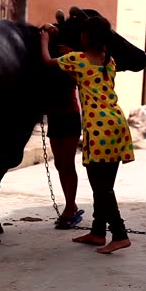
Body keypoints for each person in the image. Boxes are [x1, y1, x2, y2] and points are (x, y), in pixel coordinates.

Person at [40, 16, 134, 254]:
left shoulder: (77, 59)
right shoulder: (109, 62)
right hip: (117, 125)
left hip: (98, 128)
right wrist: (72, 60)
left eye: (83, 33)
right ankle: (97, 232)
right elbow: (86, 79)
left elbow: (48, 62)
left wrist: (44, 40)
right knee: (105, 184)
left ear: (87, 37)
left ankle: (120, 234)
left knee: (101, 188)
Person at [45, 36, 85, 230]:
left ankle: (70, 207)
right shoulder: (49, 64)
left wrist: (70, 56)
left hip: (70, 116)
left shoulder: (73, 60)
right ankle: (71, 204)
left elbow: (79, 81)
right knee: (60, 164)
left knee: (68, 163)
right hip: (54, 118)